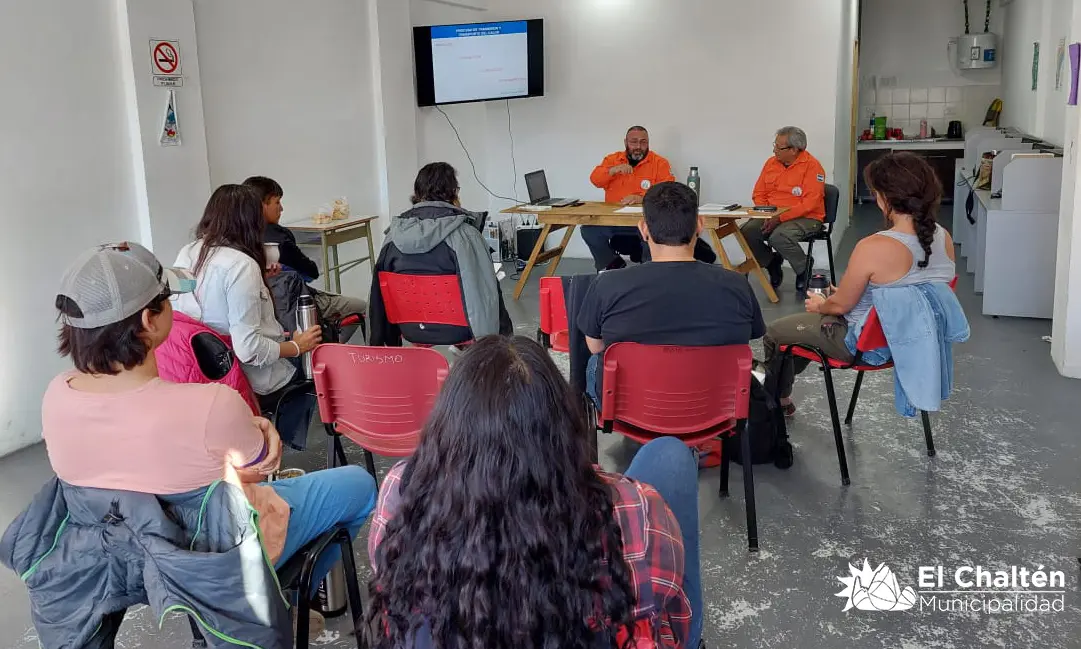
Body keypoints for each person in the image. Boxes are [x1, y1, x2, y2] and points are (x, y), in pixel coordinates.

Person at [41, 241, 376, 636]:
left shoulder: (57, 396)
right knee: (360, 485)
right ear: (150, 320)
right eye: (168, 299)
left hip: (123, 560)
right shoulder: (210, 404)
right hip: (211, 555)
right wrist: (266, 437)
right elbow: (257, 469)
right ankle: (282, 603)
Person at [367, 336, 702, 649]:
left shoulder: (402, 495)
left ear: (447, 429)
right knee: (671, 456)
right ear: (564, 429)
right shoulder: (636, 511)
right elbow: (674, 626)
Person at [762, 152, 957, 415]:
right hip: (915, 342)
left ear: (884, 197)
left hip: (865, 345)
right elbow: (910, 291)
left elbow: (840, 307)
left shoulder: (874, 245)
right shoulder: (943, 237)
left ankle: (772, 404)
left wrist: (822, 305)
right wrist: (842, 296)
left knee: (776, 332)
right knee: (799, 333)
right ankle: (781, 392)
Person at [578, 181, 766, 406]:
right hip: (712, 407)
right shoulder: (737, 285)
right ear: (699, 225)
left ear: (643, 229)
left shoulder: (606, 284)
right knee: (754, 368)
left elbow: (596, 347)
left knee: (596, 361)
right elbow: (748, 339)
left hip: (631, 406)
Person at [174, 184, 322, 450]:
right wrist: (298, 346)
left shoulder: (190, 252)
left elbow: (206, 303)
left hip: (202, 370)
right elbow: (250, 349)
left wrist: (260, 282)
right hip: (245, 375)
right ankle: (278, 443)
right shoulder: (242, 265)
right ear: (251, 221)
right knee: (319, 361)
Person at [368, 162, 513, 346]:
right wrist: (498, 343)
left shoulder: (391, 237)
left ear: (417, 193)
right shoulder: (466, 235)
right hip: (459, 330)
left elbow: (377, 297)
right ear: (453, 192)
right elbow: (487, 294)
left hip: (409, 329)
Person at [243, 176, 368, 322]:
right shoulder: (280, 240)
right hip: (297, 307)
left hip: (265, 314)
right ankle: (332, 342)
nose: (281, 208)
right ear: (261, 205)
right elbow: (310, 273)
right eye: (277, 202)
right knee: (363, 306)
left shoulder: (239, 239)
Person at [740, 126, 827, 293]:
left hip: (807, 217)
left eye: (778, 147)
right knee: (747, 232)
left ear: (794, 149)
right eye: (775, 145)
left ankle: (803, 268)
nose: (774, 150)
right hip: (771, 214)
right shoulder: (771, 163)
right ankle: (771, 262)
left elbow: (810, 203)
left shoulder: (812, 167)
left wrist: (779, 218)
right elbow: (759, 193)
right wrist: (766, 214)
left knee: (778, 236)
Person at [584, 126, 677, 271]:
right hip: (613, 221)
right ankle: (611, 264)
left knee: (655, 232)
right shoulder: (612, 159)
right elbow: (595, 179)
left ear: (648, 143)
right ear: (625, 142)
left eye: (643, 142)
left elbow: (668, 192)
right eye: (634, 142)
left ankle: (648, 272)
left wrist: (642, 198)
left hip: (645, 221)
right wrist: (612, 170)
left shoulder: (660, 163)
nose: (638, 147)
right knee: (589, 229)